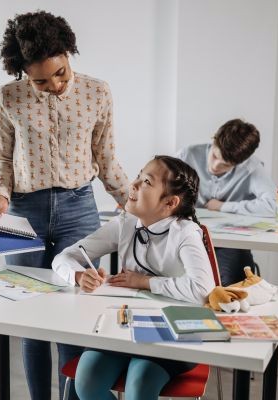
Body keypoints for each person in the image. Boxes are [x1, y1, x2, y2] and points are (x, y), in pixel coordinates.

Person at [0, 10, 129, 399]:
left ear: (69, 54)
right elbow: (3, 159)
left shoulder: (97, 92)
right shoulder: (7, 98)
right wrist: (1, 192)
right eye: (40, 80)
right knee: (32, 319)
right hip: (23, 213)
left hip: (79, 209)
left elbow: (106, 158)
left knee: (73, 315)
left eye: (61, 73)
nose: (54, 85)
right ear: (22, 72)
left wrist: (133, 204)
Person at [52, 155, 215, 400]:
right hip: (125, 327)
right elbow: (64, 257)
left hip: (174, 333)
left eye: (147, 182)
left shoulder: (185, 233)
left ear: (170, 202)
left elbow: (203, 289)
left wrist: (144, 282)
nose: (134, 184)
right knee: (86, 382)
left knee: (139, 387)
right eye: (139, 175)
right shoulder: (126, 223)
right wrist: (77, 275)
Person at [177, 119, 276, 285]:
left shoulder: (252, 168)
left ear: (240, 163)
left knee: (231, 281)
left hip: (228, 244)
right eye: (215, 156)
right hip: (185, 235)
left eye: (225, 165)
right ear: (214, 139)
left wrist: (223, 206)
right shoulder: (187, 155)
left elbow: (273, 206)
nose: (215, 166)